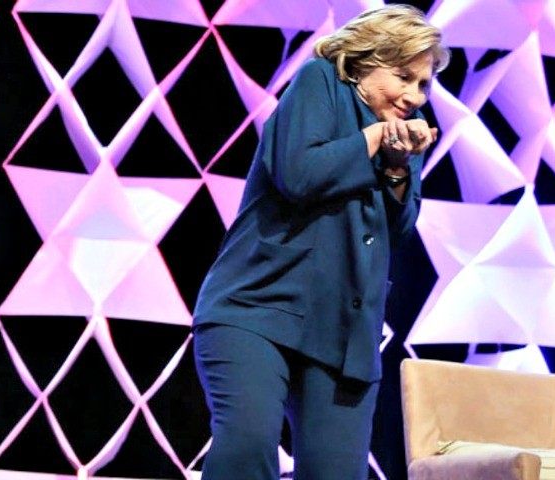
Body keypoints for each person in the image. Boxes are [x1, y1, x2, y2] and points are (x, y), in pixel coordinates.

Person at [191, 5, 449, 479]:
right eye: (403, 77)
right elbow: (298, 173)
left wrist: (396, 168)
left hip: (345, 333)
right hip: (258, 309)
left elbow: (399, 234)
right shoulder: (320, 82)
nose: (415, 95)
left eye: (424, 84)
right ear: (366, 61)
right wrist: (372, 139)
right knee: (247, 448)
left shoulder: (402, 140)